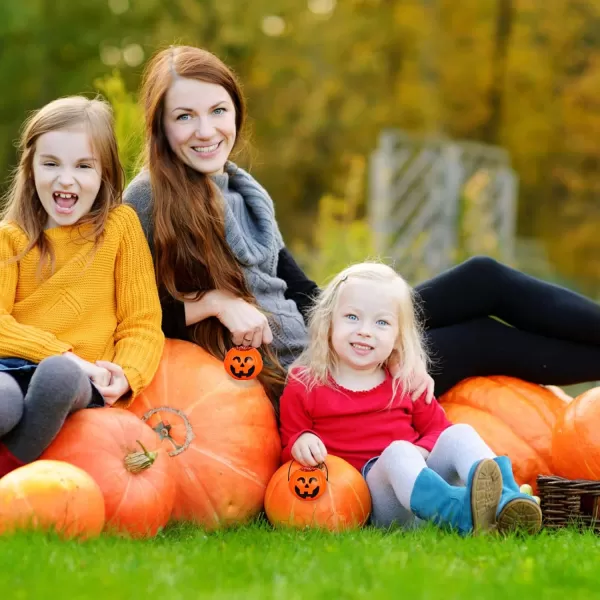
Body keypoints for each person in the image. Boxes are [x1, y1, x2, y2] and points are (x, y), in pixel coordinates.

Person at [125, 44, 600, 403]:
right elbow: (127, 316)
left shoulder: (241, 190)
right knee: (480, 338)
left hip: (317, 340)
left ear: (236, 111)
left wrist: (363, 306)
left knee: (483, 278)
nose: (206, 131)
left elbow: (302, 292)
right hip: (294, 383)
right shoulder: (148, 198)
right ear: (161, 127)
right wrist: (217, 304)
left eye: (218, 111)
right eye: (184, 117)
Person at [279, 262, 542, 535]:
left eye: (381, 322)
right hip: (370, 500)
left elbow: (439, 430)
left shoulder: (405, 382)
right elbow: (287, 449)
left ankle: (506, 501)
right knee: (398, 451)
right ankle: (460, 513)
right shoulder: (305, 383)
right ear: (328, 322)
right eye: (352, 317)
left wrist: (422, 451)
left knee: (459, 433)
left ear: (397, 338)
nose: (365, 331)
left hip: (421, 484)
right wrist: (301, 440)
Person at [0, 96, 165, 476]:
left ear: (104, 173)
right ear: (30, 168)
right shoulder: (12, 238)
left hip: (81, 379)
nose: (66, 178)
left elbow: (141, 323)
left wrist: (126, 374)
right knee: (3, 401)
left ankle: (9, 473)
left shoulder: (119, 228)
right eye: (51, 164)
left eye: (83, 166)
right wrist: (60, 352)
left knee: (57, 376)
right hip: (12, 367)